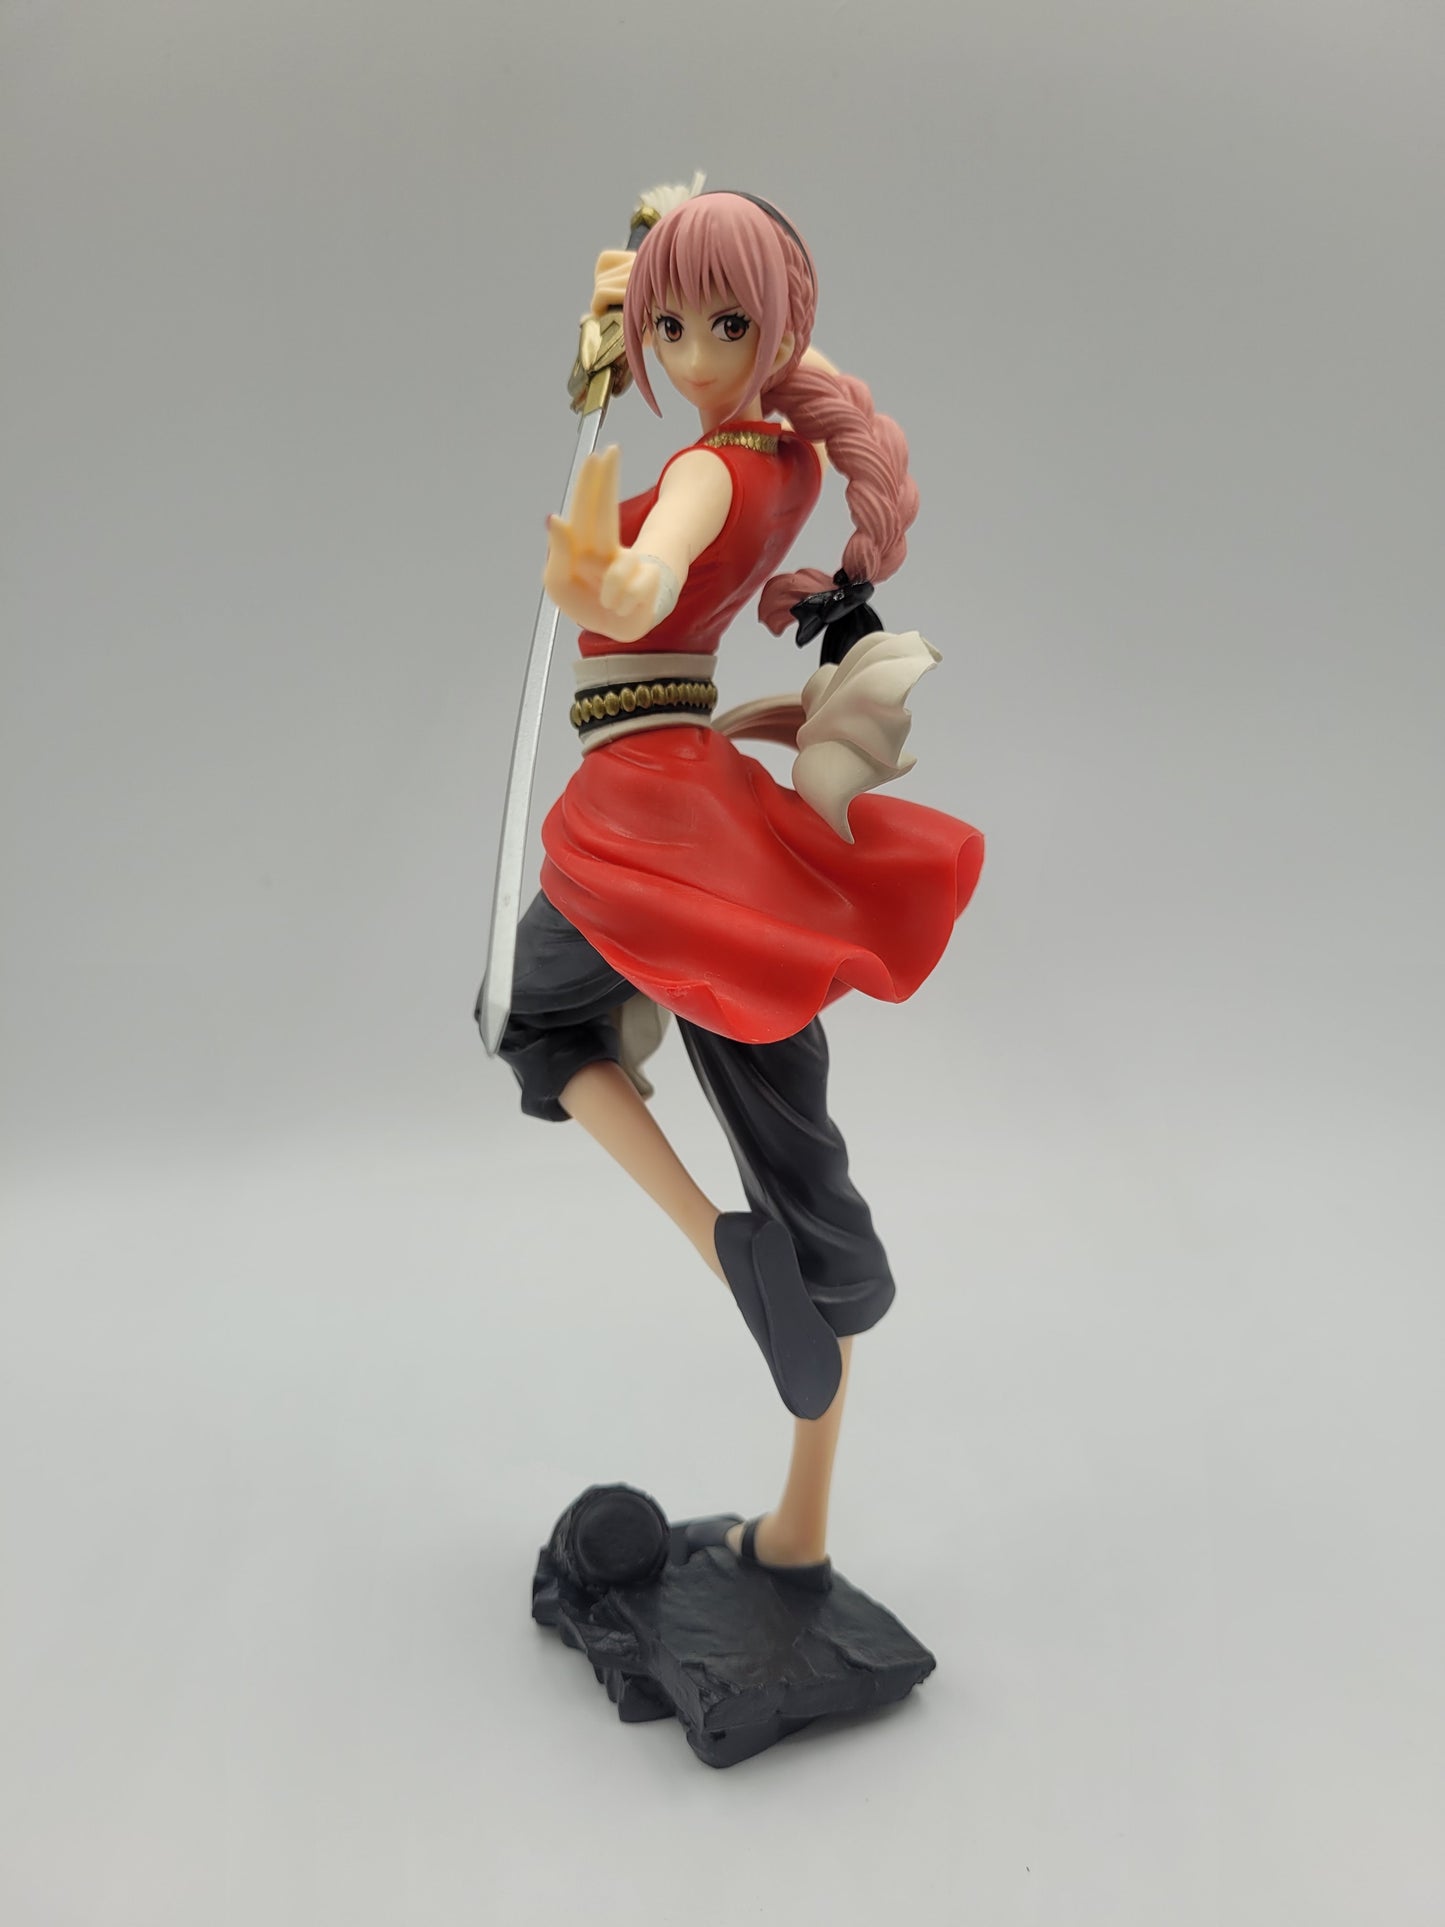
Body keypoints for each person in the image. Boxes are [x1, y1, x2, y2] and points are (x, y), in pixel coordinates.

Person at [488, 187, 983, 1585]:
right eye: (674, 328)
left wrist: (615, 580)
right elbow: (754, 403)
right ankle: (799, 1523)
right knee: (796, 1155)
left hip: (643, 802)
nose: (696, 356)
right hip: (714, 809)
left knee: (529, 1021)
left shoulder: (714, 466)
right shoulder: (796, 456)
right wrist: (624, 299)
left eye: (727, 326)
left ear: (774, 328)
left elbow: (652, 573)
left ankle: (718, 1243)